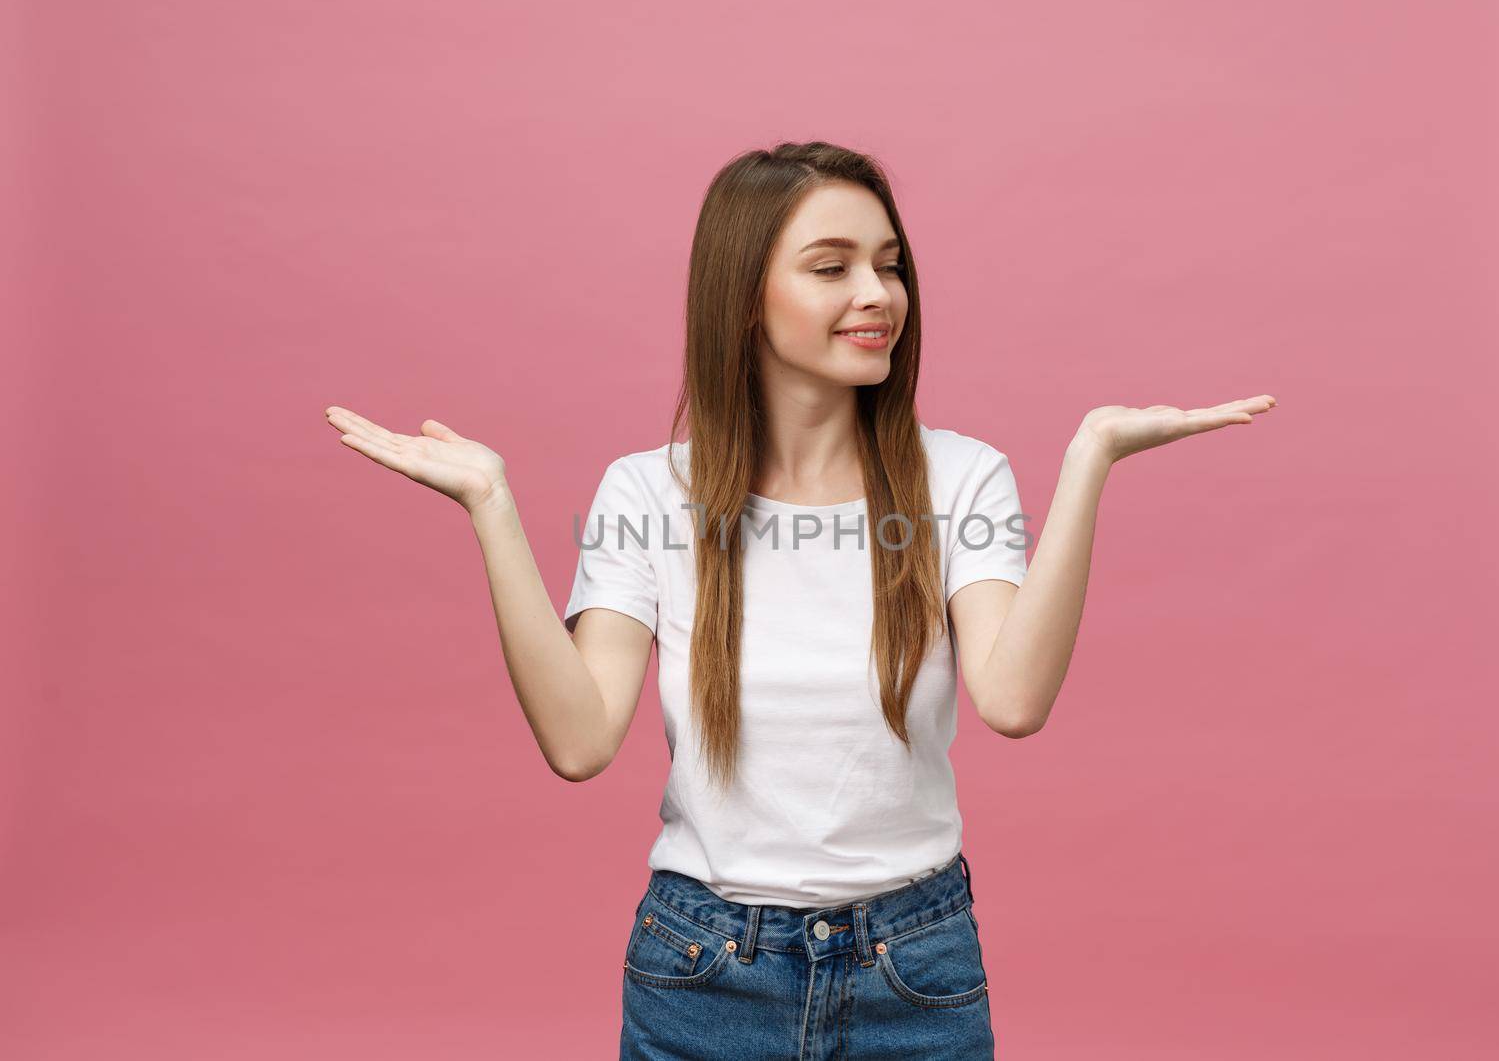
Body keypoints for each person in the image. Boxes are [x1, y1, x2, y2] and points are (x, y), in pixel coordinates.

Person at [324, 140, 1277, 1059]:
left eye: (889, 265)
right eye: (833, 267)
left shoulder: (961, 478)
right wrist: (492, 506)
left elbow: (1014, 701)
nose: (878, 295)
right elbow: (579, 741)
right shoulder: (649, 494)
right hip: (704, 972)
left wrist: (1090, 460)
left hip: (917, 965)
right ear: (746, 299)